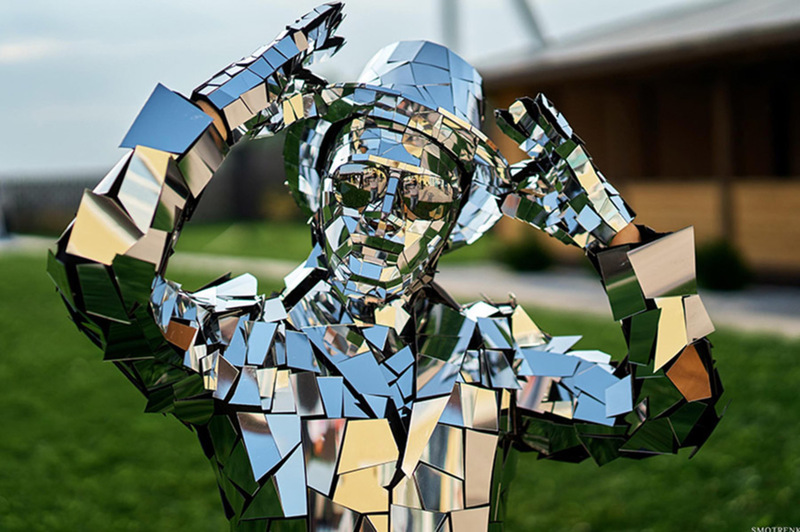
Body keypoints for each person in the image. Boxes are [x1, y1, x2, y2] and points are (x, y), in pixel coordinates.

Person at [49, 3, 723, 531]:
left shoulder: (491, 360)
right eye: (360, 184)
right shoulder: (239, 348)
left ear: (451, 224)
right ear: (318, 189)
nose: (384, 217)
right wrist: (223, 112)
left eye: (423, 197)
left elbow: (673, 407)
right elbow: (98, 265)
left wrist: (619, 238)